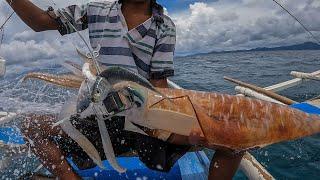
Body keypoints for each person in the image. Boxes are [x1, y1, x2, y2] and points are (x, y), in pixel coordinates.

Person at [6, 0, 244, 179]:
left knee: (236, 141)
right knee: (30, 125)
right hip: (100, 119)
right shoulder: (94, 10)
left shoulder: (164, 26)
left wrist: (183, 124)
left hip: (147, 122)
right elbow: (39, 21)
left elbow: (159, 87)